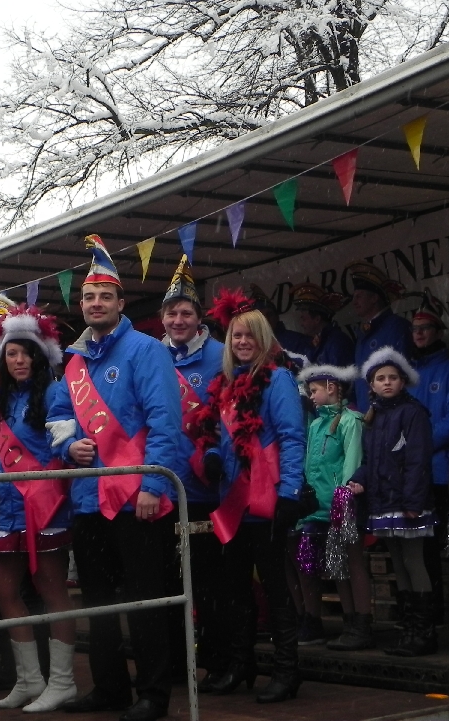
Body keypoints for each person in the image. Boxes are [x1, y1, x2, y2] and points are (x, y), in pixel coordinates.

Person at [47, 235, 183, 721]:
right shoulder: (75, 361)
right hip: (88, 498)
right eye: (89, 297)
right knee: (98, 602)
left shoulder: (146, 350)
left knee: (146, 601)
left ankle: (153, 694)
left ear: (121, 303)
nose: (96, 303)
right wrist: (67, 446)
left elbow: (166, 422)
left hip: (135, 496)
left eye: (105, 296)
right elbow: (58, 415)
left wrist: (153, 485)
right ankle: (109, 688)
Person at [194, 287, 305, 704]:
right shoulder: (225, 383)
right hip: (234, 503)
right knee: (236, 589)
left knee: (275, 588)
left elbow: (292, 438)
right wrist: (210, 456)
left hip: (267, 499)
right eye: (236, 336)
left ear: (263, 339)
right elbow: (214, 434)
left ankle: (288, 670)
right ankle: (242, 664)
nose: (242, 342)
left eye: (249, 336)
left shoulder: (278, 379)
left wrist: (290, 492)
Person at [0, 304, 77, 712]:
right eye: (12, 353)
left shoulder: (55, 392)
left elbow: (63, 446)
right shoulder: (3, 399)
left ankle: (63, 682)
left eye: (26, 353)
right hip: (8, 507)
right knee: (2, 590)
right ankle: (29, 679)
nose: (19, 360)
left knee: (51, 589)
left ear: (40, 356)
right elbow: (0, 454)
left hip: (44, 506)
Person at [158, 256, 226, 689]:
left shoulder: (220, 356)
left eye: (186, 312)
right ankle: (177, 664)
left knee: (210, 583)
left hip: (206, 490)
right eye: (171, 313)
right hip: (164, 489)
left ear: (199, 317)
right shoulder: (152, 355)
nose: (178, 320)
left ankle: (218, 661)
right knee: (168, 583)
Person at [351, 347, 436, 657]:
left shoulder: (413, 413)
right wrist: (359, 478)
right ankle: (408, 629)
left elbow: (417, 460)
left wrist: (413, 501)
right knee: (398, 563)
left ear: (403, 381)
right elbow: (371, 459)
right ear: (371, 385)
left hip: (407, 502)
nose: (387, 382)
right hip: (383, 502)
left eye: (393, 377)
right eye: (380, 378)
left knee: (414, 561)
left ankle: (424, 632)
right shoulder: (374, 416)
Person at [408, 290, 449, 628]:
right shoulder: (409, 373)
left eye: (425, 328)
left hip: (446, 472)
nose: (419, 333)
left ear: (438, 331)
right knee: (426, 548)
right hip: (418, 476)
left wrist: (420, 444)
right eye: (415, 329)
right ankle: (431, 613)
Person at [293, 363, 368, 649]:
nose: (311, 396)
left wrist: (344, 497)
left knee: (348, 563)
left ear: (332, 388)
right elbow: (309, 464)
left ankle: (358, 622)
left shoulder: (351, 421)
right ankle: (323, 621)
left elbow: (353, 460)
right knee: (316, 563)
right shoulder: (315, 424)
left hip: (339, 505)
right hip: (315, 508)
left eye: (314, 390)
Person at [347, 260, 411, 408]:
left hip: (389, 412)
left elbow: (403, 374)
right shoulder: (363, 332)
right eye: (354, 297)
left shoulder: (396, 327)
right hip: (366, 412)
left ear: (374, 298)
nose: (354, 302)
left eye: (359, 296)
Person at [289, 282, 353, 367]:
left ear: (317, 319)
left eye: (304, 319)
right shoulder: (316, 342)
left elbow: (338, 374)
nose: (301, 324)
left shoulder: (338, 342)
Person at [247, 284, 308, 355]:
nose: (266, 319)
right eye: (260, 316)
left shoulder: (298, 341)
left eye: (269, 314)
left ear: (277, 317)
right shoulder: (246, 344)